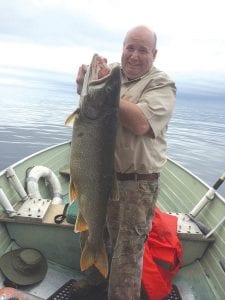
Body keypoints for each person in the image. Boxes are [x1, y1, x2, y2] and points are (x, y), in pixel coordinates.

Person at [72, 25, 176, 300]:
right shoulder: (114, 74)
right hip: (101, 174)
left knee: (127, 253)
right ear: (122, 48)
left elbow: (141, 123)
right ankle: (95, 279)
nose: (134, 55)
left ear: (153, 54)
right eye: (130, 47)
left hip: (136, 185)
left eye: (142, 50)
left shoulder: (161, 84)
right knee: (94, 232)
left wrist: (106, 92)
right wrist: (85, 84)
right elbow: (92, 105)